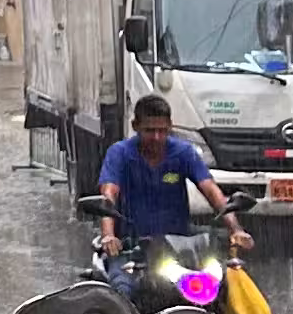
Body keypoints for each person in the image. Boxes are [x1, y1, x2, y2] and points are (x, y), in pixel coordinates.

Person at [98, 92, 245, 247]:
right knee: (118, 272)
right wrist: (109, 236)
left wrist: (236, 229)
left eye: (162, 130)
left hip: (179, 245)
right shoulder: (119, 153)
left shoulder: (183, 152)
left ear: (170, 126)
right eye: (149, 130)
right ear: (135, 126)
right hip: (131, 245)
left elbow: (210, 189)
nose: (156, 137)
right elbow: (109, 194)